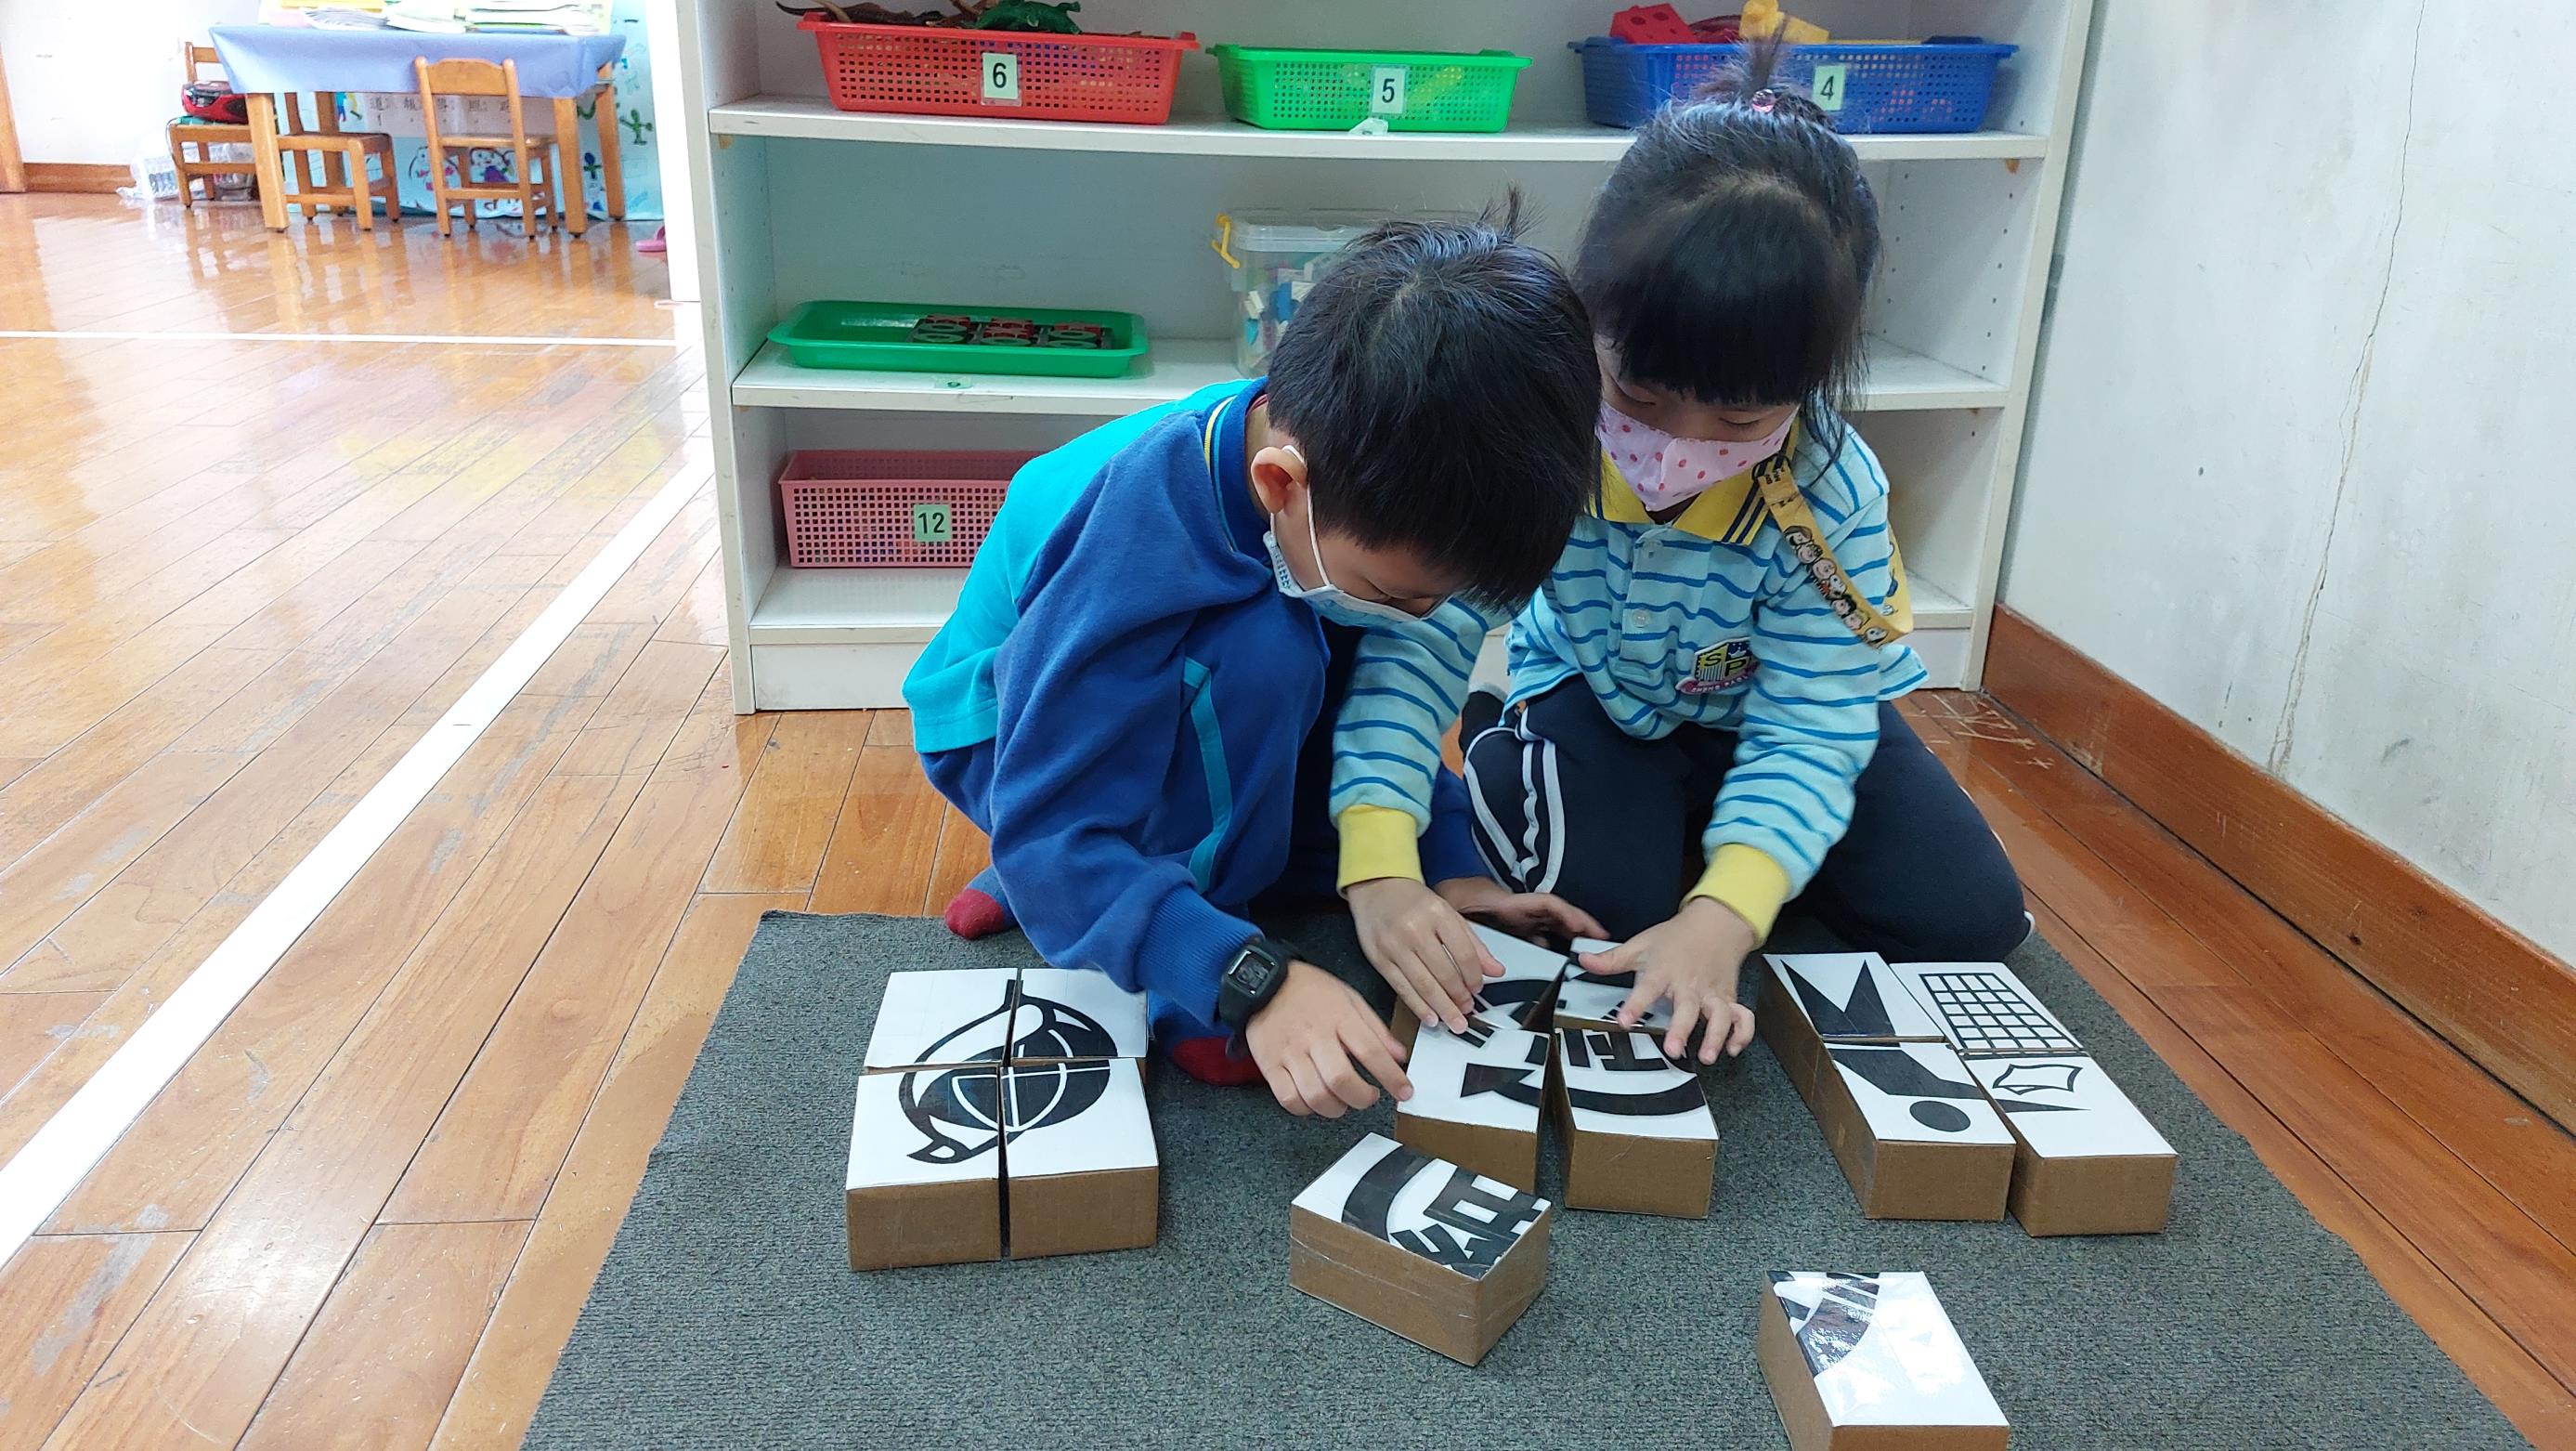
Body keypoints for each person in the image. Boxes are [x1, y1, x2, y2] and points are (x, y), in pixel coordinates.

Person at [1323, 51, 2027, 1070]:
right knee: (1596, 919)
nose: (1676, 448)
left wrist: (1725, 917)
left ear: (1813, 379)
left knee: (1970, 922)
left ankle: (1724, 846)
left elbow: (1813, 724)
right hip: (1599, 701)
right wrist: (1382, 861)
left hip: (1770, 716)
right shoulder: (1538, 435)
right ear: (1590, 322)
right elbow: (1416, 642)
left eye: (1739, 417)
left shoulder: (1831, 493)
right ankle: (1506, 739)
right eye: (1639, 394)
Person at [904, 204, 1604, 1119]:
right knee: (1260, 659)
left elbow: (1376, 699)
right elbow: (1048, 815)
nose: (1419, 621)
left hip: (1151, 697)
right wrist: (1245, 977)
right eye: (1396, 594)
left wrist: (1443, 858)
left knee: (1294, 665)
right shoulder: (1133, 540)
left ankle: (1116, 870)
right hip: (1005, 729)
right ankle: (1140, 898)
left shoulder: (1340, 482)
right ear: (1280, 484)